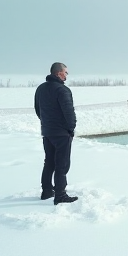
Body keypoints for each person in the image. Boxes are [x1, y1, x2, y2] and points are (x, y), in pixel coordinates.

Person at [34, 62, 78, 205]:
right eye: (66, 72)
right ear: (59, 73)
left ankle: (46, 191)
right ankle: (60, 195)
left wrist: (47, 124)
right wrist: (70, 129)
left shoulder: (41, 89)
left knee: (49, 162)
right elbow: (69, 112)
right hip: (61, 133)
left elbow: (38, 110)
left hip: (47, 132)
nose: (66, 75)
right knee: (62, 164)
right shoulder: (62, 90)